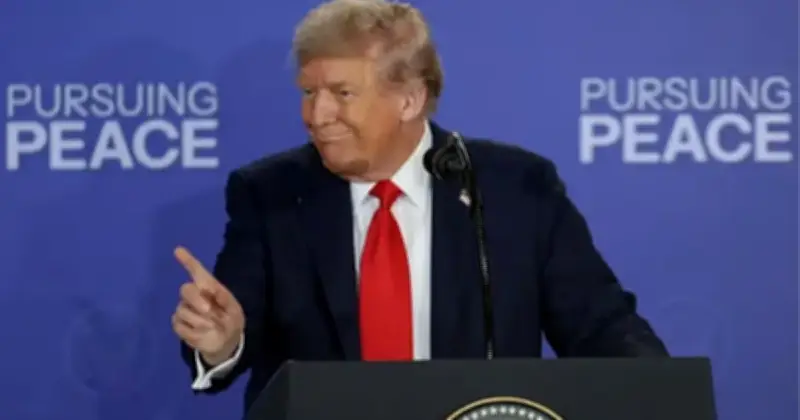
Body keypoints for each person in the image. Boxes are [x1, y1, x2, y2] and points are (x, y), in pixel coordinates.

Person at [171, 0, 669, 413]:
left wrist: (662, 396)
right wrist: (222, 344)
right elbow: (233, 329)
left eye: (342, 93)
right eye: (308, 92)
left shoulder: (515, 188)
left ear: (409, 100)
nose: (317, 115)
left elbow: (602, 326)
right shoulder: (271, 194)